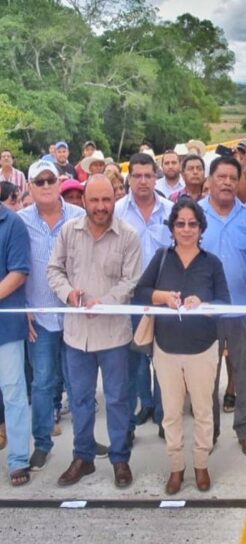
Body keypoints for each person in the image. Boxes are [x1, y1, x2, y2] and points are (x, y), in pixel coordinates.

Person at [48, 174, 142, 488]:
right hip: (76, 335)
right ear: (84, 202)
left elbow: (131, 281)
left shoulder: (128, 236)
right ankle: (83, 457)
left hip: (114, 333)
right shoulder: (68, 232)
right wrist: (68, 293)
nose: (101, 207)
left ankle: (120, 460)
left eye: (106, 200)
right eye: (94, 200)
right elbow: (54, 269)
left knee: (117, 399)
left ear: (114, 199)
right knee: (80, 400)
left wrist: (107, 301)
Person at [134, 199, 231, 494]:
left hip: (203, 348)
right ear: (172, 227)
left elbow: (225, 302)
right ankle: (176, 468)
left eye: (192, 223)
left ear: (201, 227)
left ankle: (201, 464)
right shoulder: (161, 257)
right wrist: (162, 297)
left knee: (204, 410)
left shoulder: (211, 262)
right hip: (167, 348)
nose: (186, 229)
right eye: (180, 223)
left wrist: (202, 304)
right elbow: (140, 292)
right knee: (171, 413)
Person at [19, 160, 85, 471]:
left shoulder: (79, 216)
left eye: (50, 180)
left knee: (79, 382)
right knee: (43, 383)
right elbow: (13, 268)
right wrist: (24, 310)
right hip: (40, 320)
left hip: (74, 316)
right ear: (29, 187)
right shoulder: (20, 222)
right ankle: (42, 443)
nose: (45, 186)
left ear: (59, 182)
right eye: (39, 181)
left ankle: (84, 444)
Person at [199, 156, 246, 455]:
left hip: (242, 307)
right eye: (220, 177)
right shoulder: (192, 215)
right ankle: (208, 432)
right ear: (209, 180)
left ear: (239, 183)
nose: (226, 183)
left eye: (232, 178)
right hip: (204, 312)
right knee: (206, 377)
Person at [115, 153, 174, 435]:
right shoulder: (117, 211)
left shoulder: (170, 211)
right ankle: (144, 405)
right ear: (129, 179)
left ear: (156, 178)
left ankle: (164, 415)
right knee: (135, 358)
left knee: (163, 358)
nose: (142, 181)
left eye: (148, 176)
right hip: (130, 297)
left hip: (164, 297)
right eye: (136, 176)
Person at [0, 180, 31, 486]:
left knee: (13, 392)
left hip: (5, 328)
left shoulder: (13, 223)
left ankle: (18, 459)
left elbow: (19, 272)